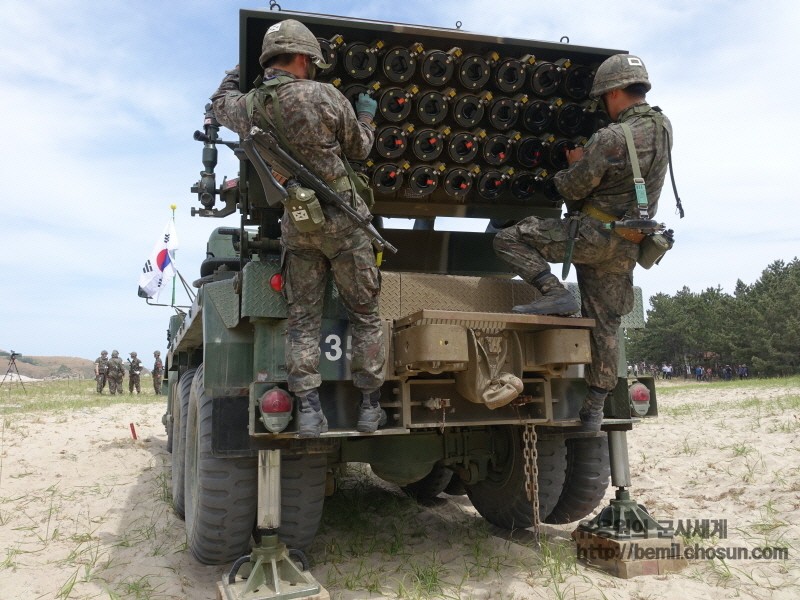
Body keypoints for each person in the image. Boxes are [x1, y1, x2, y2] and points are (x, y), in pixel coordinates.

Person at [210, 19, 385, 437]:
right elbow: (360, 147)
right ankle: (369, 409)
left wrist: (239, 68)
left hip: (300, 224)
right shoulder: (325, 96)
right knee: (365, 315)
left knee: (302, 319)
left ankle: (307, 410)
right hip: (346, 223)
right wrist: (365, 116)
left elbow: (219, 100)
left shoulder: (248, 106)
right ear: (306, 58)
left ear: (271, 59)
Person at [493, 54, 672, 431]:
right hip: (629, 241)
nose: (604, 106)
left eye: (606, 97)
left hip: (591, 236)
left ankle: (553, 291)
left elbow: (571, 188)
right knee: (606, 324)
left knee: (509, 239)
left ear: (616, 92)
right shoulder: (664, 128)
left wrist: (574, 162)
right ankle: (593, 408)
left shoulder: (609, 139)